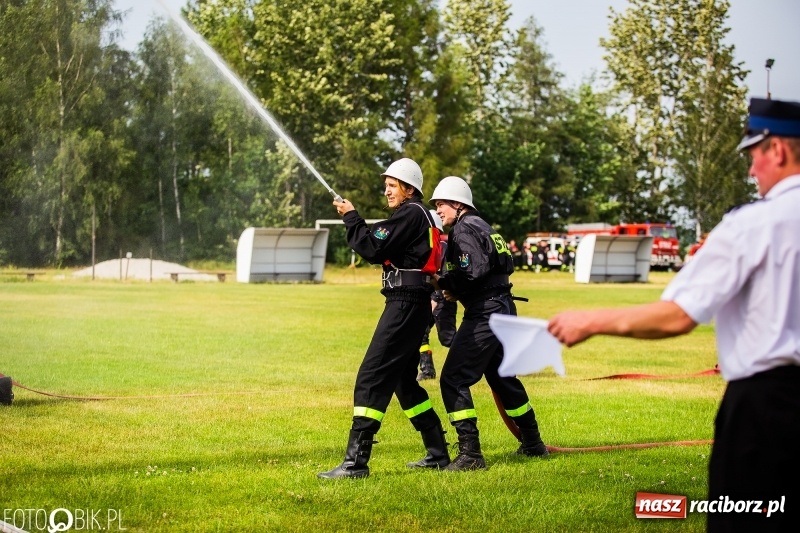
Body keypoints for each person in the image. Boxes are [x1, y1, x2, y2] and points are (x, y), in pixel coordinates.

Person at [547, 97, 800, 532]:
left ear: (776, 150)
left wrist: (590, 321)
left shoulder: (754, 224)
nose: (751, 171)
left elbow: (679, 316)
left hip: (768, 410)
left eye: (753, 156)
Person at [317, 158, 450, 479]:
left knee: (372, 375)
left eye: (392, 186)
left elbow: (372, 247)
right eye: (386, 186)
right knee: (403, 381)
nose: (387, 191)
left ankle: (355, 462)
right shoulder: (417, 215)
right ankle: (437, 452)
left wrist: (351, 216)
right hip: (412, 302)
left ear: (409, 189)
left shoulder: (410, 213)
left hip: (406, 303)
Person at [431, 176, 549, 471]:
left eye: (442, 204)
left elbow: (473, 271)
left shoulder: (463, 228)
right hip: (503, 308)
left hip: (486, 313)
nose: (438, 210)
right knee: (502, 378)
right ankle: (533, 443)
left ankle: (470, 453)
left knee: (453, 378)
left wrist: (445, 283)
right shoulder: (484, 226)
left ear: (458, 204)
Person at [417, 213, 458, 381]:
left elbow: (445, 276)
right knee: (420, 333)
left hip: (443, 299)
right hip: (426, 298)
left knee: (448, 339)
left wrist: (436, 299)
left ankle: (487, 357)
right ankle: (427, 370)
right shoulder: (423, 246)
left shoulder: (443, 247)